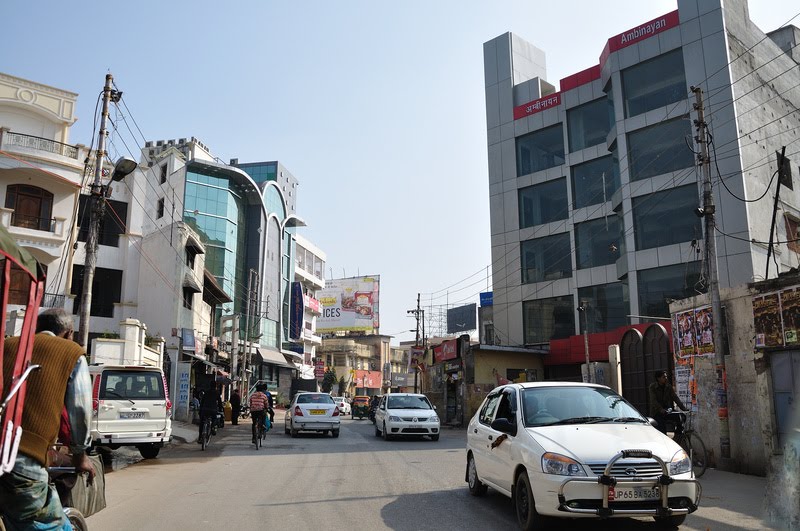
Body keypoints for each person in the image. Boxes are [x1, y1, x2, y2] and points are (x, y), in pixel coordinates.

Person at [0, 308, 96, 530]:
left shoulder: (9, 345)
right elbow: (80, 411)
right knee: (50, 524)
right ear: (69, 333)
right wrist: (80, 455)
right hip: (22, 459)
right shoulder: (71, 352)